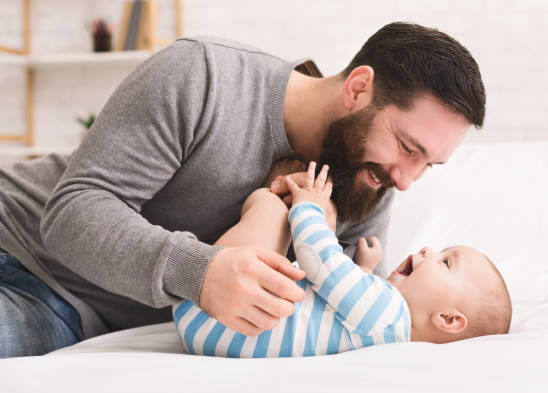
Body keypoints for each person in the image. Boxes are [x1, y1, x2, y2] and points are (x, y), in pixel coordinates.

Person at [0, 22, 485, 357]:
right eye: (406, 146)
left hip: (65, 310)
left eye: (428, 164)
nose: (405, 179)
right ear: (359, 88)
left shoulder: (370, 183)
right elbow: (71, 213)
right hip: (17, 236)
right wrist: (199, 272)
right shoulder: (204, 76)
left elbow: (343, 319)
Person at [173, 161, 512, 357]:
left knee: (270, 206)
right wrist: (365, 268)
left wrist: (309, 205)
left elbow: (322, 263)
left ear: (449, 319)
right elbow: (340, 306)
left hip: (215, 307)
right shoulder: (389, 336)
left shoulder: (386, 311)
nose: (428, 251)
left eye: (445, 262)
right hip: (221, 327)